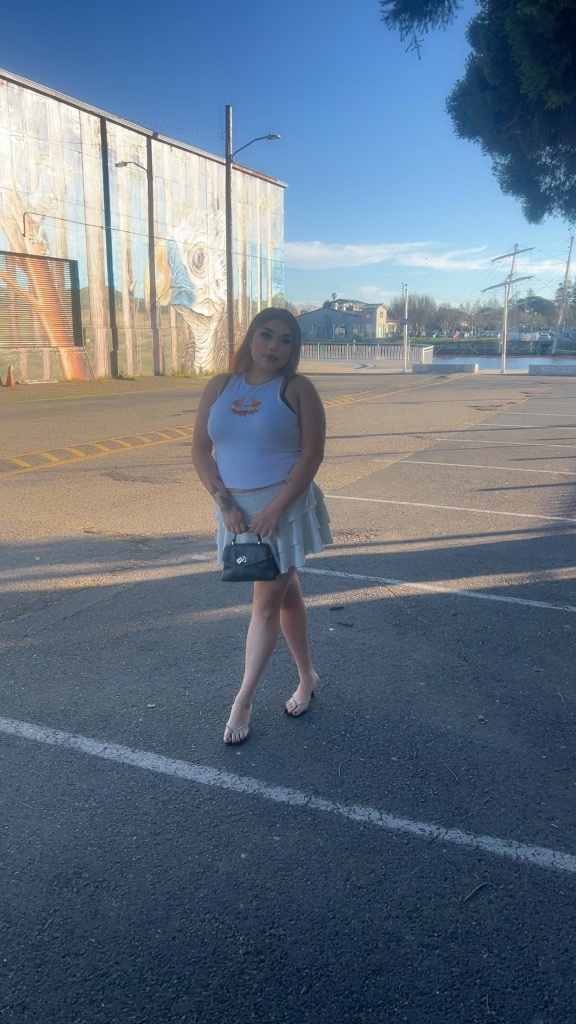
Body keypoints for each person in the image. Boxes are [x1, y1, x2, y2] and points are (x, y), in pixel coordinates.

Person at [192, 307, 332, 745]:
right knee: (285, 597)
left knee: (265, 607)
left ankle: (243, 700)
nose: (273, 346)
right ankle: (307, 676)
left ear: (294, 348)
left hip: (281, 510)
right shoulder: (220, 386)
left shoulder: (297, 389)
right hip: (234, 511)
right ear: (250, 337)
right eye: (266, 335)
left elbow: (311, 456)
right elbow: (200, 450)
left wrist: (274, 510)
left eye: (285, 340)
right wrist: (223, 503)